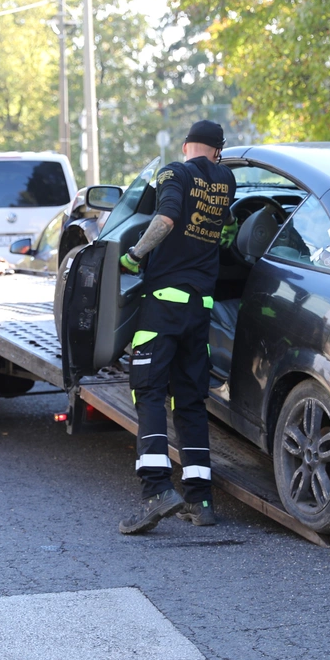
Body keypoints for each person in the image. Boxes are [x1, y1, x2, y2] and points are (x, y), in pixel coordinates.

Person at [117, 120, 238, 535]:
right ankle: (200, 501)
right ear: (218, 151)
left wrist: (133, 255)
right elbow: (224, 234)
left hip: (164, 305)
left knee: (148, 390)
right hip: (200, 309)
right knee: (189, 400)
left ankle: (155, 491)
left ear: (187, 145)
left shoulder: (174, 171)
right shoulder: (226, 180)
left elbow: (166, 219)